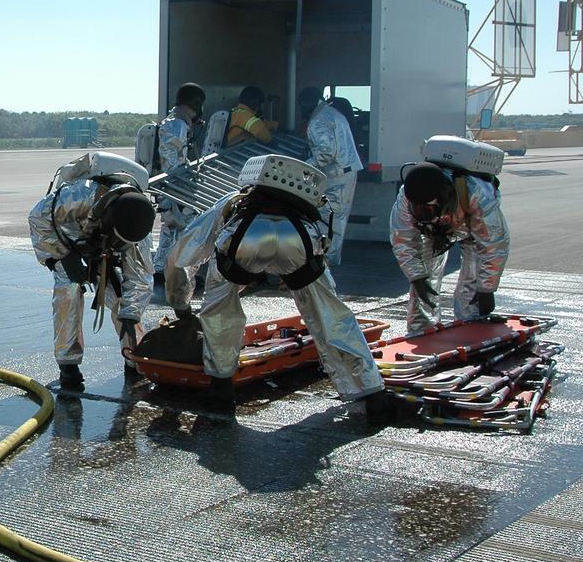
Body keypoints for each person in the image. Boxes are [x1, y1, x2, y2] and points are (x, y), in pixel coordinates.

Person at [165, 154, 391, 423]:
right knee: (330, 315)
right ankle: (371, 391)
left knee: (220, 311)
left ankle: (221, 388)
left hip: (244, 238)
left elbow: (183, 255)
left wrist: (180, 302)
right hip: (298, 239)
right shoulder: (302, 203)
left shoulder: (233, 201)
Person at [29, 158, 156, 390]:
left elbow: (139, 278)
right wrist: (63, 256)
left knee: (121, 298)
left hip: (103, 248)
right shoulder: (79, 195)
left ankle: (134, 356)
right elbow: (38, 218)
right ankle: (68, 364)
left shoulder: (138, 234)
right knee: (69, 289)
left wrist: (131, 314)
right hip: (67, 238)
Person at [390, 158, 509, 333]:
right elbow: (402, 240)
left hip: (470, 226)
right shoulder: (406, 197)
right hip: (435, 230)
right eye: (418, 210)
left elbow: (494, 244)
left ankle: (471, 323)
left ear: (443, 199)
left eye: (427, 210)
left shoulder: (477, 194)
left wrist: (487, 288)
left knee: (474, 276)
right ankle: (422, 329)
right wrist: (416, 277)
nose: (422, 214)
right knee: (423, 284)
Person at [138, 82, 206, 283]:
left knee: (170, 229)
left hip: (170, 187)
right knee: (188, 228)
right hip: (175, 187)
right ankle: (182, 273)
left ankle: (161, 269)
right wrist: (183, 185)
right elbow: (171, 161)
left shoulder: (173, 122)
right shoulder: (177, 124)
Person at [298, 87, 362, 265]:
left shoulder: (318, 120)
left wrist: (304, 167)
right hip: (345, 171)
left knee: (330, 217)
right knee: (337, 217)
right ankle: (329, 258)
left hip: (337, 175)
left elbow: (326, 153)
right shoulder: (329, 113)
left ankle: (327, 260)